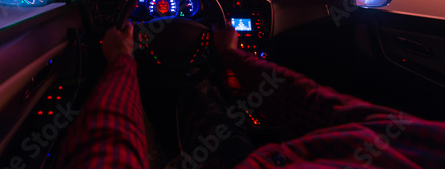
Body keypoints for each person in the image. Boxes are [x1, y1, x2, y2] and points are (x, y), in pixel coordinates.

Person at [57, 22, 445, 168]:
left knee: (201, 117)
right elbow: (313, 104)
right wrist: (229, 56)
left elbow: (102, 153)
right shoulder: (426, 142)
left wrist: (123, 64)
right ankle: (201, 94)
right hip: (261, 155)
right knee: (219, 116)